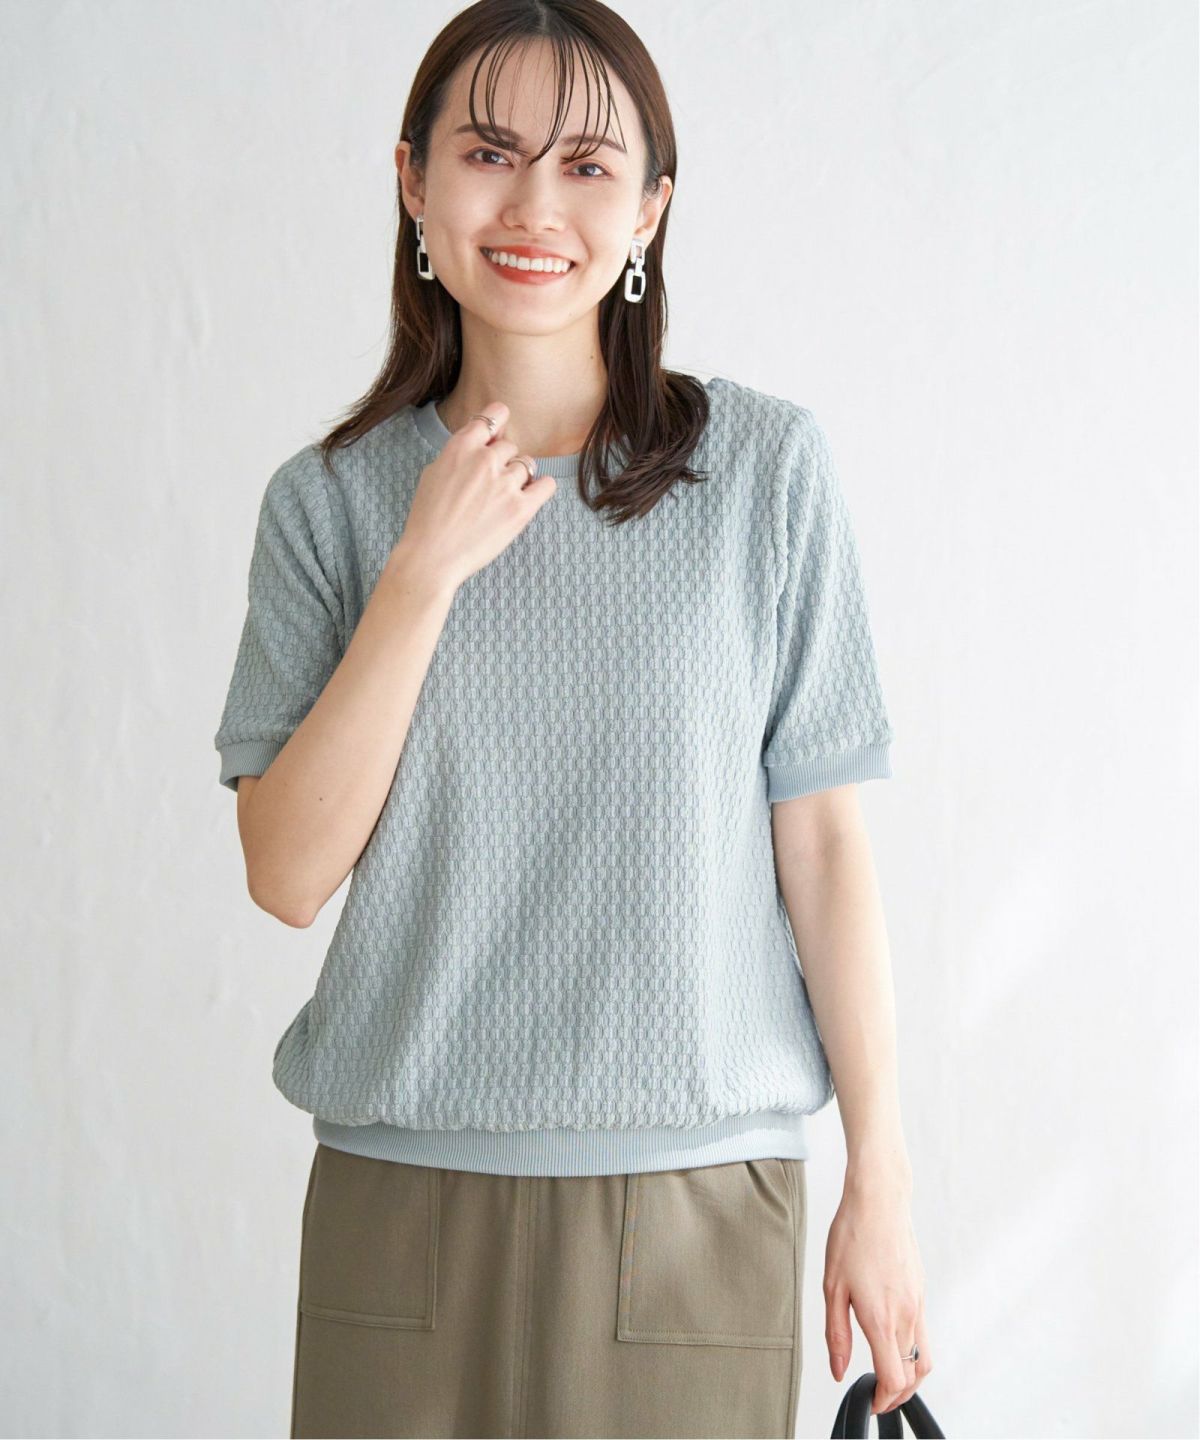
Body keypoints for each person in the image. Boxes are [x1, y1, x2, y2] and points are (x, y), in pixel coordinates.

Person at [212, 1, 932, 1435]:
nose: (535, 205)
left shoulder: (765, 473)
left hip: (696, 1203)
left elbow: (825, 851)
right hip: (400, 1198)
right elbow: (286, 873)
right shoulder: (329, 504)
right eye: (488, 152)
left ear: (650, 208)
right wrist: (421, 576)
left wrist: (884, 1180)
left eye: (589, 166)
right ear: (414, 180)